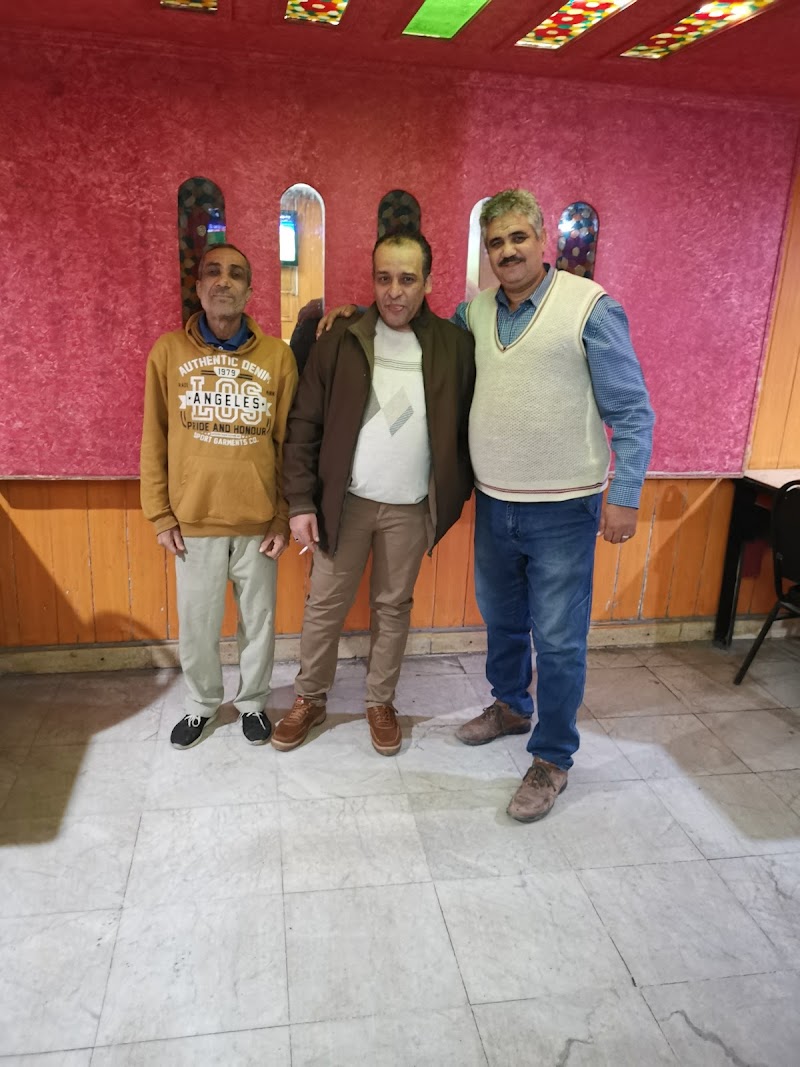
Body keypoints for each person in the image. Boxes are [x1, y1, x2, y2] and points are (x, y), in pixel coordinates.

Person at [319, 189, 654, 819]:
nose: (507, 251)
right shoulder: (473, 315)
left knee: (558, 639)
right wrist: (351, 315)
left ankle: (552, 757)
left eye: (518, 238)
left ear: (542, 240)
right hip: (495, 503)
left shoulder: (590, 308)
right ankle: (510, 706)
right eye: (496, 242)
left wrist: (626, 495)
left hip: (565, 509)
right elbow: (412, 325)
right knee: (502, 621)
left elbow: (633, 412)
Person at [275, 230, 475, 756]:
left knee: (393, 607)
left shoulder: (455, 347)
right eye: (384, 278)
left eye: (407, 279)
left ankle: (380, 701)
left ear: (428, 282)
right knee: (325, 605)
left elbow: (466, 428)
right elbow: (304, 424)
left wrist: (451, 495)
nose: (394, 291)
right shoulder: (340, 339)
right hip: (344, 505)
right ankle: (309, 697)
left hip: (411, 508)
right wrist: (301, 502)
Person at [140, 243, 298, 749]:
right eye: (213, 272)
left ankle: (252, 703)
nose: (223, 281)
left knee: (259, 624)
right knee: (198, 626)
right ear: (199, 287)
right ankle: (201, 706)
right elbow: (153, 437)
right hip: (194, 521)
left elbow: (289, 443)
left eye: (235, 274)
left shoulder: (278, 357)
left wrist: (282, 516)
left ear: (250, 291)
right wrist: (161, 514)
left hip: (258, 521)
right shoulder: (169, 352)